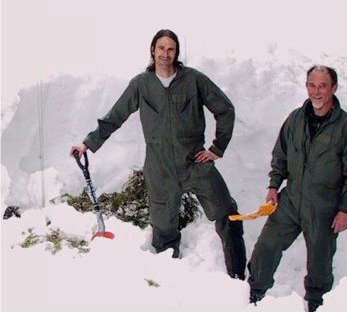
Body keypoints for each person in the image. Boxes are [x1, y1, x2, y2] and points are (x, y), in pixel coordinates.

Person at [70, 29, 246, 279]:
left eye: (170, 49)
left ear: (177, 53)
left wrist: (217, 149)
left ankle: (238, 278)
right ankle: (169, 283)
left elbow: (225, 109)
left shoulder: (194, 80)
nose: (165, 53)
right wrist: (87, 143)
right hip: (159, 167)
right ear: (153, 50)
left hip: (195, 162)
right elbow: (114, 118)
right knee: (163, 231)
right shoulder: (141, 84)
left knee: (229, 214)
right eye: (161, 48)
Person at [247, 65, 347, 312]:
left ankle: (317, 308)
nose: (316, 91)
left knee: (319, 264)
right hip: (291, 200)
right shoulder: (295, 119)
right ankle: (254, 295)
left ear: (333, 88)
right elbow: (280, 155)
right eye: (312, 85)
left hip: (324, 206)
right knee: (266, 247)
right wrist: (273, 186)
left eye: (323, 86)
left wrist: (345, 210)